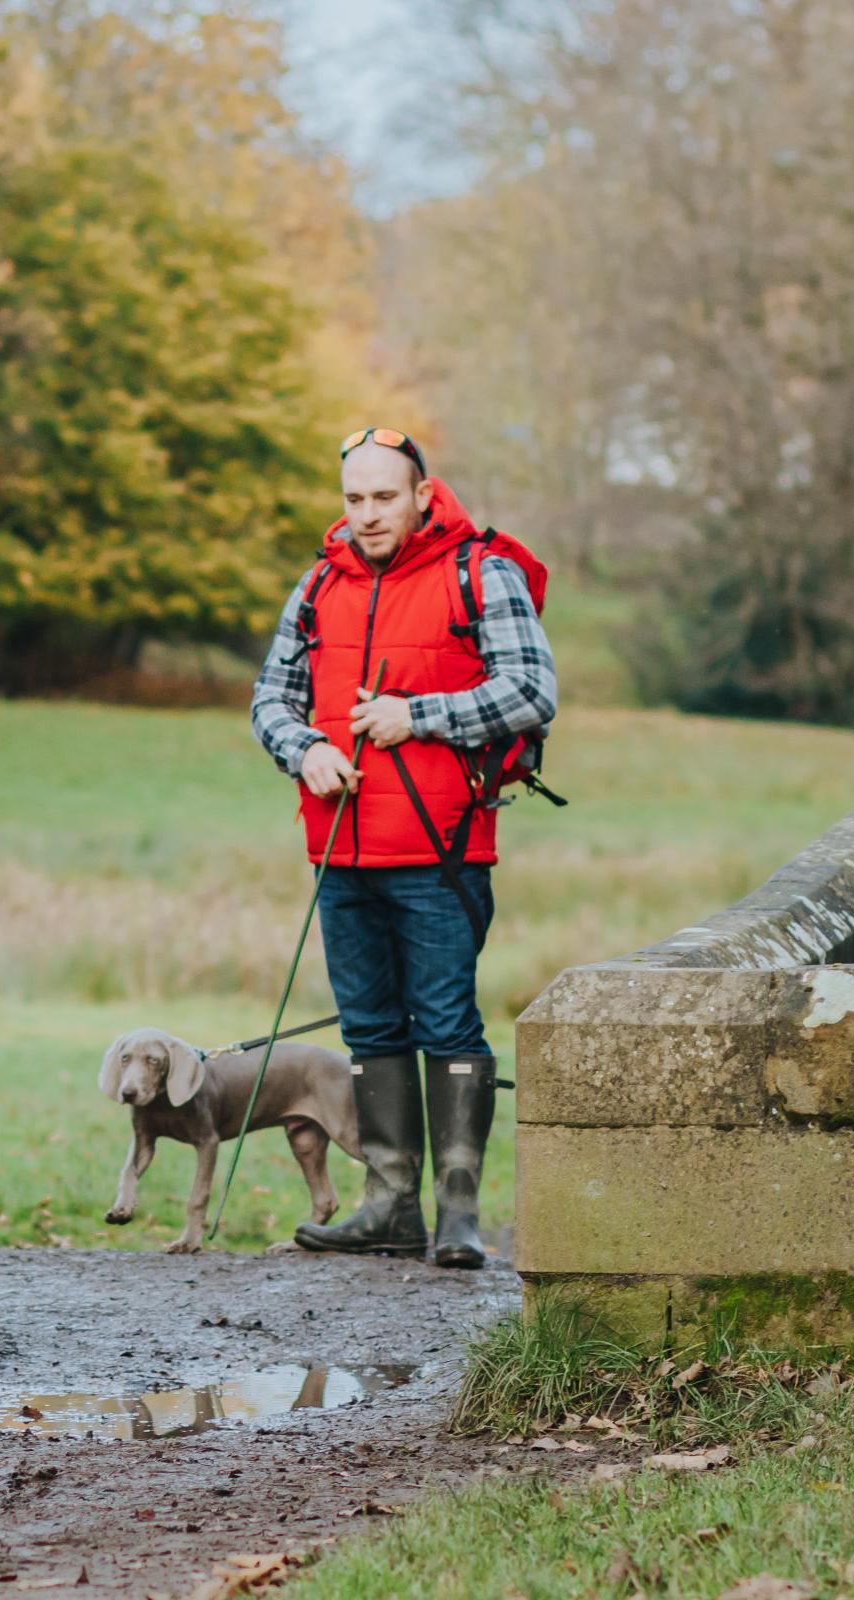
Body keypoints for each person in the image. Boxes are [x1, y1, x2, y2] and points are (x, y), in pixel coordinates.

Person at [249, 427, 558, 1269]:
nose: (368, 514)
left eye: (385, 496)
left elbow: (533, 690)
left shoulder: (480, 571)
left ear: (423, 494)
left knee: (449, 1023)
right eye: (354, 499)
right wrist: (304, 750)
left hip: (442, 851)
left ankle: (458, 1213)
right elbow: (269, 700)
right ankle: (389, 1206)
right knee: (370, 1026)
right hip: (341, 850)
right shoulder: (317, 585)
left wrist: (417, 714)